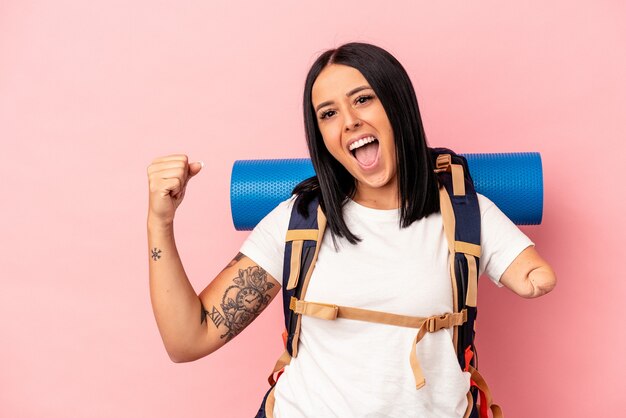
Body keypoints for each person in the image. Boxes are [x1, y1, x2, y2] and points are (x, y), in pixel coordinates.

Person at [146, 42, 557, 418]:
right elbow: (189, 339)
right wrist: (160, 222)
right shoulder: (298, 220)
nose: (349, 122)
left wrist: (534, 278)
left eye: (363, 99)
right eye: (328, 113)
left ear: (399, 107)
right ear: (321, 136)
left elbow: (533, 274)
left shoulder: (467, 216)